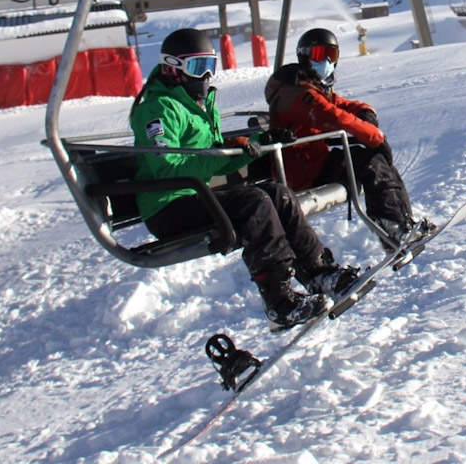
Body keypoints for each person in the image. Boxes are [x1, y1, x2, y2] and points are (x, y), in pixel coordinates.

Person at [130, 28, 359, 331]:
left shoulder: (198, 103)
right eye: (199, 67)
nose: (207, 75)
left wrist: (256, 146)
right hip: (167, 206)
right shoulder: (158, 108)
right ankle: (280, 303)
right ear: (174, 67)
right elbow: (166, 167)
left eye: (210, 66)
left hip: (196, 195)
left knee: (278, 193)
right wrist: (218, 156)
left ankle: (318, 272)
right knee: (255, 202)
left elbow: (215, 158)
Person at [264, 27, 432, 252]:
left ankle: (401, 224)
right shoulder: (295, 94)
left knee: (374, 160)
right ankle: (392, 228)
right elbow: (332, 116)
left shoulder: (312, 86)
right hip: (301, 171)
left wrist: (365, 111)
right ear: (304, 56)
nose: (325, 61)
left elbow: (340, 104)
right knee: (369, 161)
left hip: (314, 161)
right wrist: (375, 137)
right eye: (318, 55)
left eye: (331, 56)